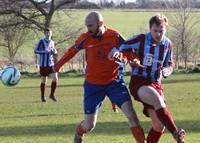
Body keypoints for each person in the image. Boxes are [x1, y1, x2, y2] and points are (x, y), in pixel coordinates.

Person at [54, 11, 146, 143]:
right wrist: (58, 66)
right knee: (89, 126)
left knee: (132, 115)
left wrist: (133, 61)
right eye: (87, 26)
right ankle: (79, 131)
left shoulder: (115, 36)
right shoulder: (85, 38)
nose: (88, 29)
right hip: (93, 86)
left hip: (115, 83)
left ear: (100, 23)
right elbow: (71, 51)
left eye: (90, 26)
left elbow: (129, 53)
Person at [118, 13, 186, 143]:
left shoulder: (168, 44)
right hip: (139, 82)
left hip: (156, 83)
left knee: (159, 126)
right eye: (155, 30)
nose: (158, 34)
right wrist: (132, 58)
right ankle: (176, 133)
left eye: (161, 30)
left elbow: (169, 64)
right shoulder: (141, 39)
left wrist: (167, 70)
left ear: (165, 29)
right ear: (150, 29)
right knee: (158, 101)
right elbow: (123, 47)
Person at [34, 28, 58, 102]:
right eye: (47, 33)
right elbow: (35, 50)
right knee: (44, 81)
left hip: (51, 64)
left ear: (51, 33)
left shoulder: (52, 42)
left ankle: (52, 95)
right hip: (43, 65)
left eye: (49, 33)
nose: (48, 34)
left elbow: (54, 51)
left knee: (55, 78)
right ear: (44, 33)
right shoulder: (41, 41)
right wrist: (44, 51)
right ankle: (42, 97)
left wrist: (55, 51)